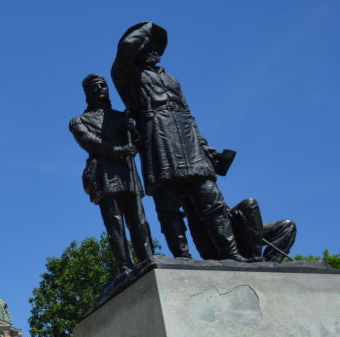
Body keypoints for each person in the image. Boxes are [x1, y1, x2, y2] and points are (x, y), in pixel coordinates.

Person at [112, 22, 243, 261]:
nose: (152, 48)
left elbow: (189, 115)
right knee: (168, 206)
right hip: (158, 139)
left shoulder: (172, 79)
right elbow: (127, 47)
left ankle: (232, 255)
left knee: (211, 200)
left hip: (188, 139)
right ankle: (182, 257)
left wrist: (207, 150)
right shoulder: (128, 76)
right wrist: (148, 27)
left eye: (156, 44)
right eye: (148, 43)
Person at [70, 74, 154, 274]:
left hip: (127, 171)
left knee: (139, 219)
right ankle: (125, 266)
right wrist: (117, 150)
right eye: (95, 87)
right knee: (115, 222)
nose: (100, 89)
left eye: (103, 85)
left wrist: (131, 129)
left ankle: (147, 259)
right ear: (87, 93)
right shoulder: (79, 120)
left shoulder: (120, 116)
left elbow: (139, 142)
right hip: (104, 173)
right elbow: (88, 140)